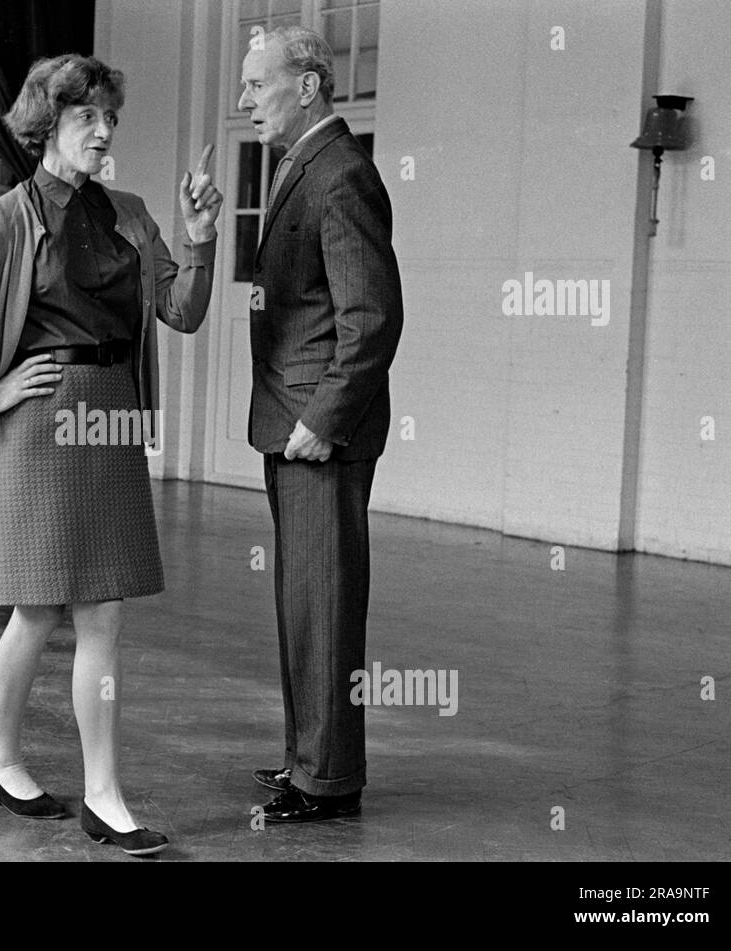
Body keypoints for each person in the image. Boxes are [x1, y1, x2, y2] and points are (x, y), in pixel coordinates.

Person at [0, 54, 222, 856]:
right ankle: (0, 756)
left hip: (111, 418)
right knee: (39, 608)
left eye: (110, 117)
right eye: (87, 118)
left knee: (101, 610)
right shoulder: (6, 220)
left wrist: (202, 238)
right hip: (40, 422)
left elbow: (180, 310)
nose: (104, 131)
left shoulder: (133, 213)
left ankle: (102, 792)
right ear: (48, 125)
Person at [239, 26, 403, 822]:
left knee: (325, 604)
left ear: (306, 87)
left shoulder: (341, 175)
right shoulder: (302, 167)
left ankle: (329, 781)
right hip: (292, 423)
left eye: (256, 86)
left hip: (317, 432)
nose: (245, 102)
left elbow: (370, 317)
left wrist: (324, 419)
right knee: (303, 603)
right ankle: (311, 758)